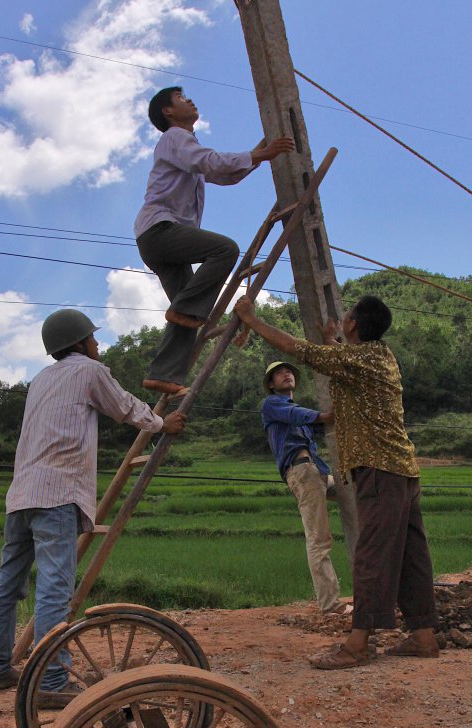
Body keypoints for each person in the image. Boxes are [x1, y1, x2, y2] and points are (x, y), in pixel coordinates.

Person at [0, 309, 186, 700]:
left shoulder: (40, 380)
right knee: (55, 589)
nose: (97, 344)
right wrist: (162, 424)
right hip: (57, 493)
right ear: (78, 343)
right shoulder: (89, 371)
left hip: (21, 495)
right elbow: (124, 405)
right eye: (92, 338)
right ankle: (53, 682)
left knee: (7, 583)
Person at [235, 294, 439, 670]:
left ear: (353, 326)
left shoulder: (355, 360)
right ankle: (423, 636)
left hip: (378, 469)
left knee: (371, 555)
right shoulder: (382, 356)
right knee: (412, 555)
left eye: (346, 318)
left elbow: (297, 349)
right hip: (404, 470)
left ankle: (358, 643)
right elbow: (342, 359)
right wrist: (333, 340)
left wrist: (251, 319)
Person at [135, 86, 295, 396]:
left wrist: (258, 155)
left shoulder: (184, 148)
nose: (190, 99)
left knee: (186, 316)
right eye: (182, 98)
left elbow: (224, 175)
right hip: (159, 230)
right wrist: (260, 153)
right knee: (225, 249)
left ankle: (162, 374)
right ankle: (184, 311)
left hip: (158, 240)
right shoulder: (174, 138)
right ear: (168, 112)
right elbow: (209, 161)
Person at [262, 359, 351, 615]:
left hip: (318, 472)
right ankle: (330, 604)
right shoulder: (273, 404)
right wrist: (325, 416)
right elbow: (296, 415)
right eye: (279, 374)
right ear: (271, 384)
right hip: (303, 472)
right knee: (318, 539)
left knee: (355, 492)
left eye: (288, 371)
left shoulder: (296, 408)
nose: (286, 374)